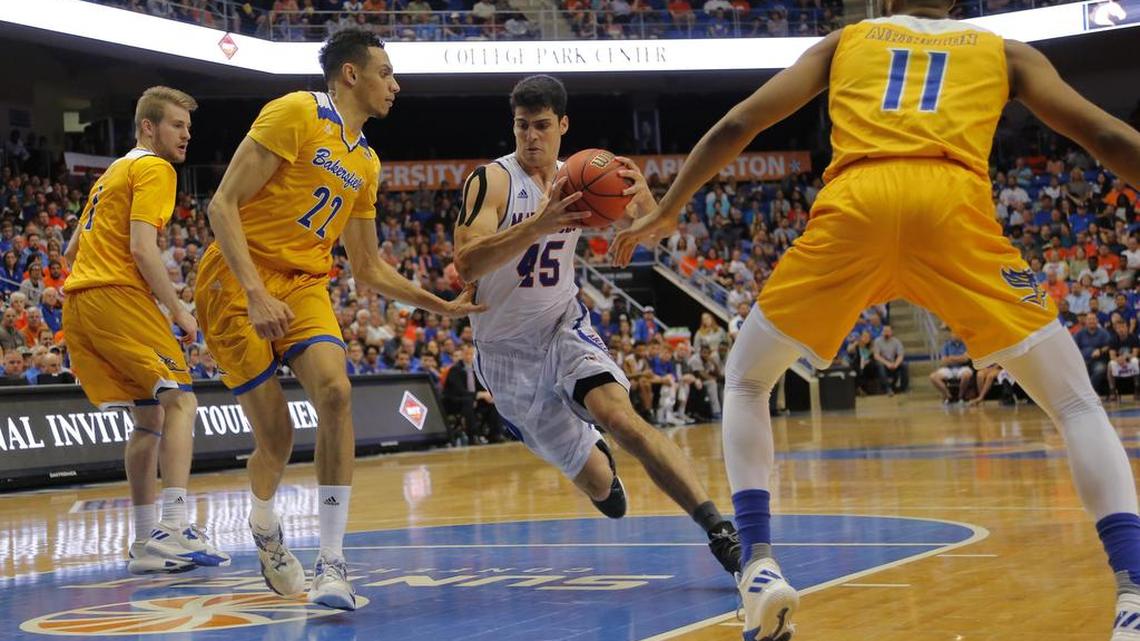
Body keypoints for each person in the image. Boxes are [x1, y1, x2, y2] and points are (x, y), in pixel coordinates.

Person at [612, 2, 1140, 638]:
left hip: (856, 204)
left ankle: (757, 565)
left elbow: (742, 119)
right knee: (1075, 402)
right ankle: (1134, 590)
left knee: (749, 381)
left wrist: (671, 208)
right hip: (950, 204)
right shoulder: (1005, 51)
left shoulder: (847, 40)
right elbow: (1108, 138)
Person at [196, 29, 481, 611]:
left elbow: (369, 269)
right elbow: (220, 204)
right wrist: (253, 292)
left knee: (336, 394)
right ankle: (265, 524)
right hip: (235, 278)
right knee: (275, 438)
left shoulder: (368, 162)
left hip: (303, 285)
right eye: (386, 72)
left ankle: (331, 563)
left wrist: (439, 303)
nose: (394, 85)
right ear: (351, 75)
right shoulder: (297, 112)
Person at [452, 74, 741, 576]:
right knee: (603, 489)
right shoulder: (493, 180)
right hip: (504, 354)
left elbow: (662, 230)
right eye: (522, 126)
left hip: (563, 323)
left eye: (542, 125)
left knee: (622, 417)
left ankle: (718, 528)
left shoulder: (584, 175)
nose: (531, 137)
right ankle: (597, 464)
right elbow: (467, 264)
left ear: (563, 125)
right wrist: (537, 226)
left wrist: (649, 203)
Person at [61, 86, 230, 575]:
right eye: (177, 125)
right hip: (117, 295)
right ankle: (174, 527)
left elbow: (72, 250)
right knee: (182, 400)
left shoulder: (114, 170)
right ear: (148, 127)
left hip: (81, 302)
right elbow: (141, 247)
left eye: (189, 128)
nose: (186, 136)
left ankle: (143, 544)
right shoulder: (155, 168)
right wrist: (178, 309)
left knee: (149, 418)